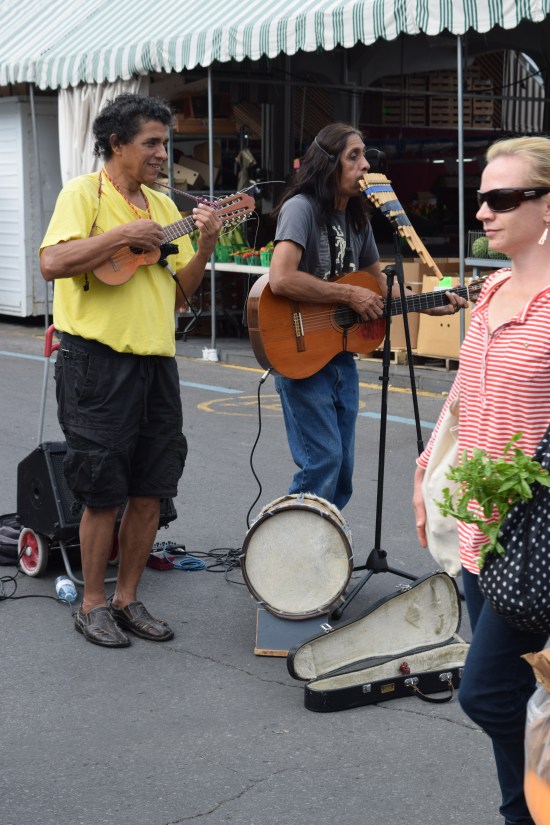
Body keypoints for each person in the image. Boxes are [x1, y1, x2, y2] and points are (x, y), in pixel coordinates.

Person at [39, 93, 222, 648]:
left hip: (155, 363)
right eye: (151, 143)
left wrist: (206, 243)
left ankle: (128, 598)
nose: (163, 153)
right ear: (117, 144)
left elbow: (178, 296)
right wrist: (121, 236)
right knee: (101, 489)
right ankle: (93, 602)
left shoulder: (166, 211)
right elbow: (52, 262)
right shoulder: (83, 194)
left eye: (165, 143)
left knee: (150, 487)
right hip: (95, 363)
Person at [413, 135, 550, 825]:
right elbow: (465, 394)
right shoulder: (493, 287)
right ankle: (521, 813)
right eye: (481, 200)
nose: (484, 214)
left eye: (501, 199)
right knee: (523, 695)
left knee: (487, 693)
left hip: (538, 536)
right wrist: (425, 474)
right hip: (479, 528)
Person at [269, 122, 466, 510]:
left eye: (365, 155)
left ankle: (321, 550)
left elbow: (380, 284)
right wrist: (346, 292)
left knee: (342, 472)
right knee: (321, 462)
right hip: (302, 350)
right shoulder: (301, 208)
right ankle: (292, 557)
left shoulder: (358, 218)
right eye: (353, 156)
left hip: (339, 354)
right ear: (328, 165)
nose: (364, 165)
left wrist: (428, 301)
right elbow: (281, 277)